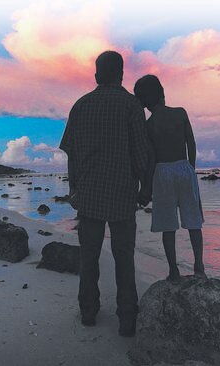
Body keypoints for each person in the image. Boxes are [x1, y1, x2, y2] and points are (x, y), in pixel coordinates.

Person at [59, 51, 152, 337]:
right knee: (124, 259)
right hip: (122, 195)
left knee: (89, 258)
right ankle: (126, 318)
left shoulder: (81, 105)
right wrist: (145, 187)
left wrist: (73, 188)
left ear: (97, 75)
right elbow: (141, 153)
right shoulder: (131, 105)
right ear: (122, 74)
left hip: (88, 196)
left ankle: (88, 310)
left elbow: (71, 155)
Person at [133, 74, 205, 280]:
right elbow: (190, 143)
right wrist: (190, 168)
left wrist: (146, 185)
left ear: (145, 104)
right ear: (163, 92)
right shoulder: (180, 113)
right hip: (183, 167)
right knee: (193, 222)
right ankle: (199, 266)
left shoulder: (149, 124)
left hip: (162, 171)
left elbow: (152, 156)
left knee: (168, 225)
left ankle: (173, 270)